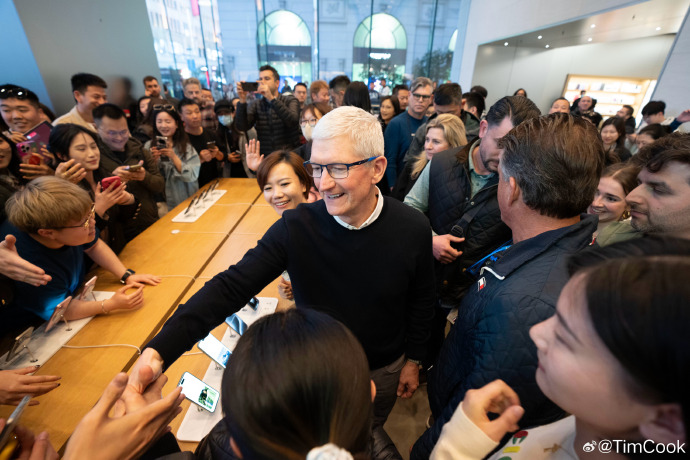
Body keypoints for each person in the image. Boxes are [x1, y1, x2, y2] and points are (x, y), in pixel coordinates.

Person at [127, 106, 435, 460]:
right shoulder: (296, 226)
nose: (323, 183)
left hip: (382, 367)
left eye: (338, 168)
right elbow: (230, 287)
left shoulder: (412, 226)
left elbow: (422, 299)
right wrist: (159, 350)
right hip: (314, 370)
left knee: (363, 436)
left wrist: (415, 360)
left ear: (377, 168)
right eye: (316, 168)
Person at [412, 113, 604, 459]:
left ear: (511, 188)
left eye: (499, 176)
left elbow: (483, 415)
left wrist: (428, 450)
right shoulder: (572, 246)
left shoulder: (524, 305)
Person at [431, 240, 690, 459]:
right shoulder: (586, 424)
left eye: (566, 338)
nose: (536, 332)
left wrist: (455, 451)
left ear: (665, 422)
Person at [0, 176, 160, 328]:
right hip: (32, 327)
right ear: (48, 233)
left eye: (91, 212)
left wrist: (126, 275)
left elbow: (94, 245)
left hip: (72, 298)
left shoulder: (68, 226)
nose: (93, 222)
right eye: (84, 222)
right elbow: (58, 310)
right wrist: (110, 304)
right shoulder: (29, 262)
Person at [49, 123, 137, 253]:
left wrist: (127, 200)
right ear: (62, 155)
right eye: (81, 149)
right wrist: (99, 209)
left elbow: (123, 220)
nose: (92, 154)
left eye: (93, 147)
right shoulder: (60, 190)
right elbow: (78, 236)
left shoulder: (104, 176)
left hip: (118, 250)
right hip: (90, 264)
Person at [93, 104, 165, 240]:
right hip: (118, 232)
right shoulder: (94, 157)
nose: (119, 138)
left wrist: (144, 176)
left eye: (123, 131)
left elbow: (160, 185)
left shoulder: (140, 150)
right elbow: (92, 197)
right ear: (96, 128)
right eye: (112, 133)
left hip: (148, 221)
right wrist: (112, 179)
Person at [255, 151, 315, 300]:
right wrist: (293, 290)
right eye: (268, 188)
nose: (276, 194)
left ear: (303, 184)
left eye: (284, 184)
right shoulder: (283, 231)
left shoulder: (321, 225)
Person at [392, 114, 466, 201]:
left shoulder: (464, 174)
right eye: (427, 140)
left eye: (436, 142)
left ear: (453, 146)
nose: (428, 146)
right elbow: (395, 201)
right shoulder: (412, 166)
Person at [235, 65, 301, 157]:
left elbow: (293, 121)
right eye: (260, 79)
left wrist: (271, 99)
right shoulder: (256, 104)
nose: (262, 82)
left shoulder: (290, 100)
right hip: (267, 157)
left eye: (266, 79)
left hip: (290, 156)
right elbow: (242, 127)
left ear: (277, 83)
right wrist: (242, 101)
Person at [145, 105, 200, 210]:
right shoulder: (148, 146)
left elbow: (192, 175)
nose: (163, 125)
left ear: (176, 124)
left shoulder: (186, 147)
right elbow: (146, 178)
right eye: (159, 121)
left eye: (168, 121)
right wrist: (153, 162)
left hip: (186, 201)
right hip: (160, 203)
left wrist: (173, 156)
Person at [384, 77, 433, 187]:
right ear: (410, 95)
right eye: (416, 95)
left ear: (431, 99)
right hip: (400, 185)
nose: (420, 100)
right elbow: (390, 161)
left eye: (425, 97)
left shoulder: (432, 124)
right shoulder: (396, 123)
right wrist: (394, 187)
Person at [178, 98, 225, 187]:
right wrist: (199, 159)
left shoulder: (210, 133)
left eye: (197, 111)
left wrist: (217, 153)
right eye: (189, 113)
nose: (195, 116)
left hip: (214, 183)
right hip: (192, 186)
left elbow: (224, 156)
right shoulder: (180, 139)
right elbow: (180, 168)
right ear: (181, 116)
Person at [587, 163, 639, 242]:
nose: (595, 203)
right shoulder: (568, 223)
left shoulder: (624, 245)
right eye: (595, 192)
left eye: (611, 199)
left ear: (629, 205)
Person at [213, 99, 253, 178]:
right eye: (220, 114)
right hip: (230, 172)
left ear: (233, 113)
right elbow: (220, 153)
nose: (223, 116)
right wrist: (227, 157)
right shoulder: (218, 132)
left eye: (226, 113)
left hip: (248, 170)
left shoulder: (245, 129)